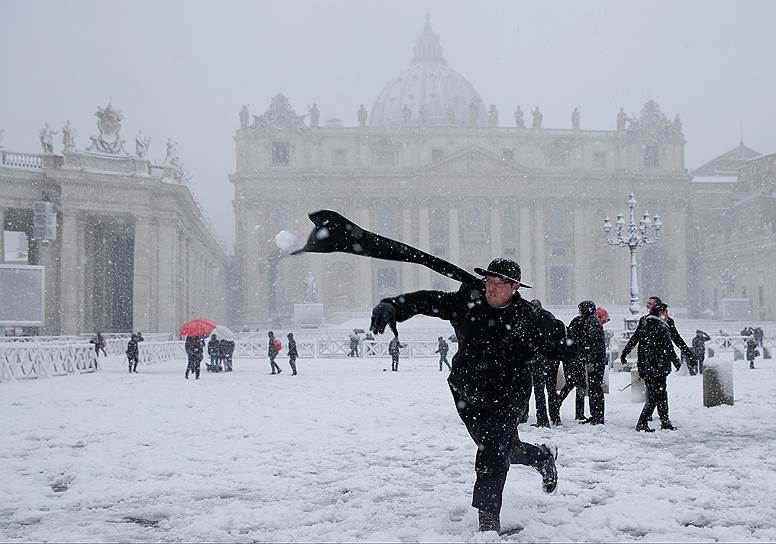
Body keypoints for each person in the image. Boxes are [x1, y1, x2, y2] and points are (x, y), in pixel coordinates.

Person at [369, 258, 568, 533]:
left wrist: (565, 340)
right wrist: (393, 305)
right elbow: (429, 300)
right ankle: (541, 457)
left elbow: (563, 346)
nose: (491, 288)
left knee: (493, 448)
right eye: (488, 281)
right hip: (468, 392)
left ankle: (488, 521)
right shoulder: (468, 303)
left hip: (508, 395)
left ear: (515, 287)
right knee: (504, 448)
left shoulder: (531, 317)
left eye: (499, 283)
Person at [635, 303, 679, 432]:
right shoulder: (661, 327)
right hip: (659, 367)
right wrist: (676, 361)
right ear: (660, 313)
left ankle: (664, 420)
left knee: (659, 395)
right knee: (657, 395)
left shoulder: (646, 326)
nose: (667, 315)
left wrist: (641, 367)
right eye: (665, 312)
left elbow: (641, 349)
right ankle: (643, 422)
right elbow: (668, 348)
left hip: (650, 367)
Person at [553, 301, 597, 424]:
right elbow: (581, 340)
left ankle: (577, 412)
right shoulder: (582, 321)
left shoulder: (580, 321)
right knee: (573, 384)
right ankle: (558, 404)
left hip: (574, 357)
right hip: (574, 358)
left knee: (578, 384)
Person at [529, 299, 561, 428]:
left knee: (539, 390)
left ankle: (542, 420)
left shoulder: (534, 319)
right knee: (551, 390)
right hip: (553, 359)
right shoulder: (550, 316)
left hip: (540, 360)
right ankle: (555, 417)